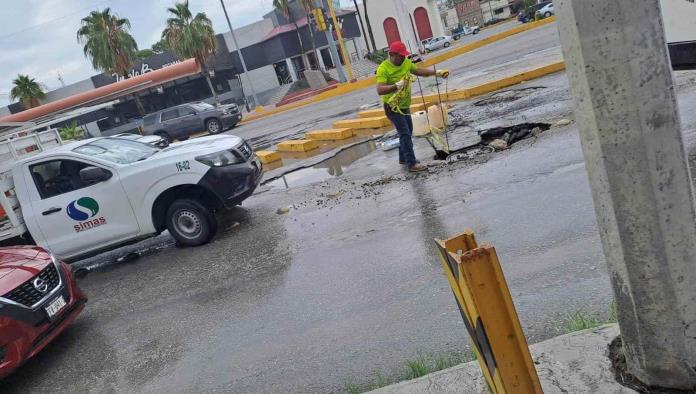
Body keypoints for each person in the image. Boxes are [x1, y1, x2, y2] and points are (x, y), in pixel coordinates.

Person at [376, 41, 449, 172]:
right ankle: (412, 163)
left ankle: (403, 157)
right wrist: (396, 86)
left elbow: (418, 71)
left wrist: (436, 72)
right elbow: (380, 90)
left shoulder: (405, 62)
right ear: (392, 54)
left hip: (404, 105)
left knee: (407, 131)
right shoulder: (383, 68)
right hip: (392, 107)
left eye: (404, 55)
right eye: (401, 55)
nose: (403, 58)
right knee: (405, 133)